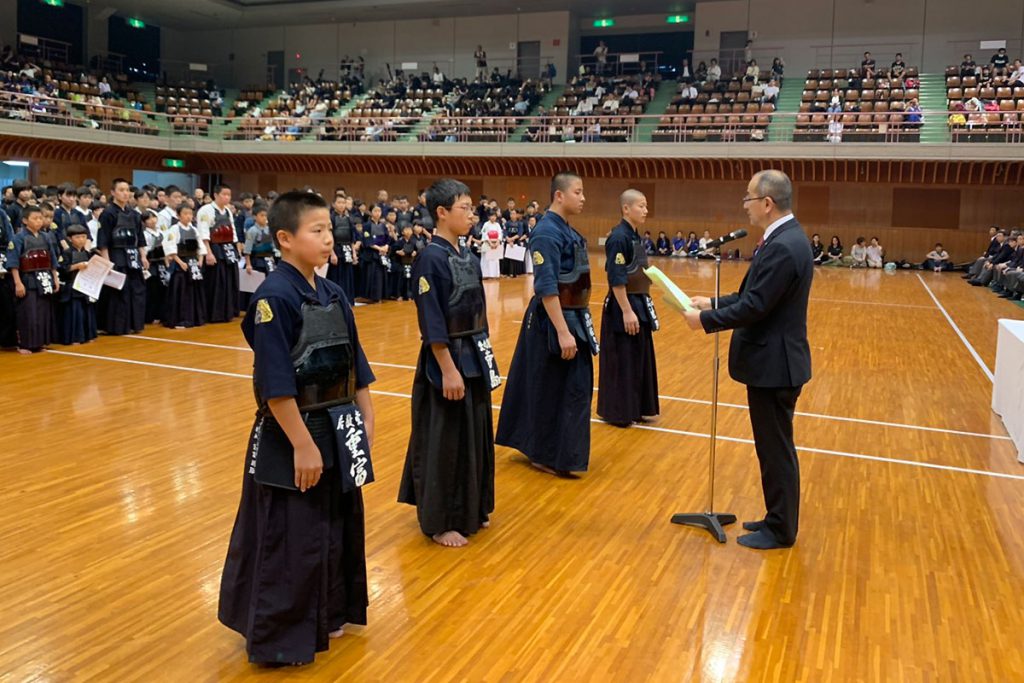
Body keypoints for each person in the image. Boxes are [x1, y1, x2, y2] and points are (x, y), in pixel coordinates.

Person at [218, 191, 376, 666]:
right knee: (290, 534)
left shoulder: (333, 292)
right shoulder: (274, 297)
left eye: (330, 230)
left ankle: (327, 612)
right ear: (285, 239)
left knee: (334, 524)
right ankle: (280, 636)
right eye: (317, 231)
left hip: (338, 424)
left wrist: (366, 416)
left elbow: (355, 359)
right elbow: (275, 383)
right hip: (292, 434)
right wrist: (303, 446)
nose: (329, 239)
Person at [683, 170, 813, 550]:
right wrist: (714, 302)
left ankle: (781, 529)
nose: (745, 205)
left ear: (767, 203)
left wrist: (704, 321)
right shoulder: (784, 238)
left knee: (776, 451)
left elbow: (756, 306)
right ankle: (776, 518)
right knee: (772, 449)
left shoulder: (785, 246)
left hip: (776, 366)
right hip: (774, 364)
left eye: (748, 198)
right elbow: (754, 294)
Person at [398, 178, 499, 548]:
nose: (472, 214)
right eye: (464, 208)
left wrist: (485, 356)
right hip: (446, 361)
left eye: (472, 208)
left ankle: (472, 508)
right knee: (444, 440)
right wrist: (447, 367)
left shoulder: (467, 256)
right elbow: (432, 320)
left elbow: (479, 312)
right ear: (441, 213)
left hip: (473, 353)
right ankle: (440, 520)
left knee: (473, 434)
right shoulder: (430, 259)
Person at [496, 172, 597, 477]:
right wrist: (563, 332)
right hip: (552, 322)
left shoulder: (567, 230)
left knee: (573, 389)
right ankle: (544, 452)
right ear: (559, 195)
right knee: (548, 388)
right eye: (578, 192)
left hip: (573, 317)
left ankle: (563, 453)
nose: (583, 198)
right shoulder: (546, 233)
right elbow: (547, 285)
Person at [597, 189, 660, 428]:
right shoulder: (618, 238)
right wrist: (626, 310)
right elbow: (616, 277)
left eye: (646, 206)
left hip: (639, 302)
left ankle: (637, 407)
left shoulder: (635, 236)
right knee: (622, 359)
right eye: (641, 206)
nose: (645, 210)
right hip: (624, 305)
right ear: (626, 208)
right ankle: (619, 411)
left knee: (638, 357)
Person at [6, 205, 60, 353]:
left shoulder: (46, 237)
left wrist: (55, 278)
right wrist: (18, 283)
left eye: (40, 218)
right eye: (35, 218)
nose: (39, 221)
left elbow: (52, 259)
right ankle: (25, 344)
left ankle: (39, 343)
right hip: (27, 279)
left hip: (44, 278)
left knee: (43, 313)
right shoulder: (18, 238)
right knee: (28, 313)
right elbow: (13, 263)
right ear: (25, 220)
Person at [97, 178, 148, 335]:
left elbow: (140, 238)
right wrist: (107, 262)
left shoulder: (134, 214)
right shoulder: (108, 213)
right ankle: (117, 326)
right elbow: (103, 240)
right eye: (121, 190)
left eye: (127, 190)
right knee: (119, 293)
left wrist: (143, 257)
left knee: (136, 291)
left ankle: (134, 323)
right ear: (113, 192)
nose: (125, 193)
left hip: (133, 257)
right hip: (117, 255)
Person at [196, 184, 240, 323]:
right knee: (216, 282)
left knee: (229, 280)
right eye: (224, 194)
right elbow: (203, 233)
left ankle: (228, 311)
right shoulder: (206, 210)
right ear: (215, 195)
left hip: (228, 249)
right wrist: (208, 253)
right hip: (214, 249)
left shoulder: (227, 211)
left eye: (229, 195)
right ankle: (214, 313)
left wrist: (236, 249)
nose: (227, 197)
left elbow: (232, 231)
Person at [58, 223, 97, 345]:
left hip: (86, 287)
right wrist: (76, 266)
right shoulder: (67, 253)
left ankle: (87, 335)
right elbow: (62, 269)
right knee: (75, 313)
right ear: (70, 239)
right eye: (77, 237)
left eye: (84, 237)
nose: (81, 240)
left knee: (87, 312)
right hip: (72, 286)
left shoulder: (88, 253)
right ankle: (75, 337)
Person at [141, 209, 167, 324]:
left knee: (163, 288)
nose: (152, 220)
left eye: (153, 217)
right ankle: (150, 315)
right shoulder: (145, 234)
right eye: (148, 219)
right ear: (144, 222)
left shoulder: (161, 232)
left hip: (162, 262)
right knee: (152, 289)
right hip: (151, 263)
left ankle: (161, 313)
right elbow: (145, 250)